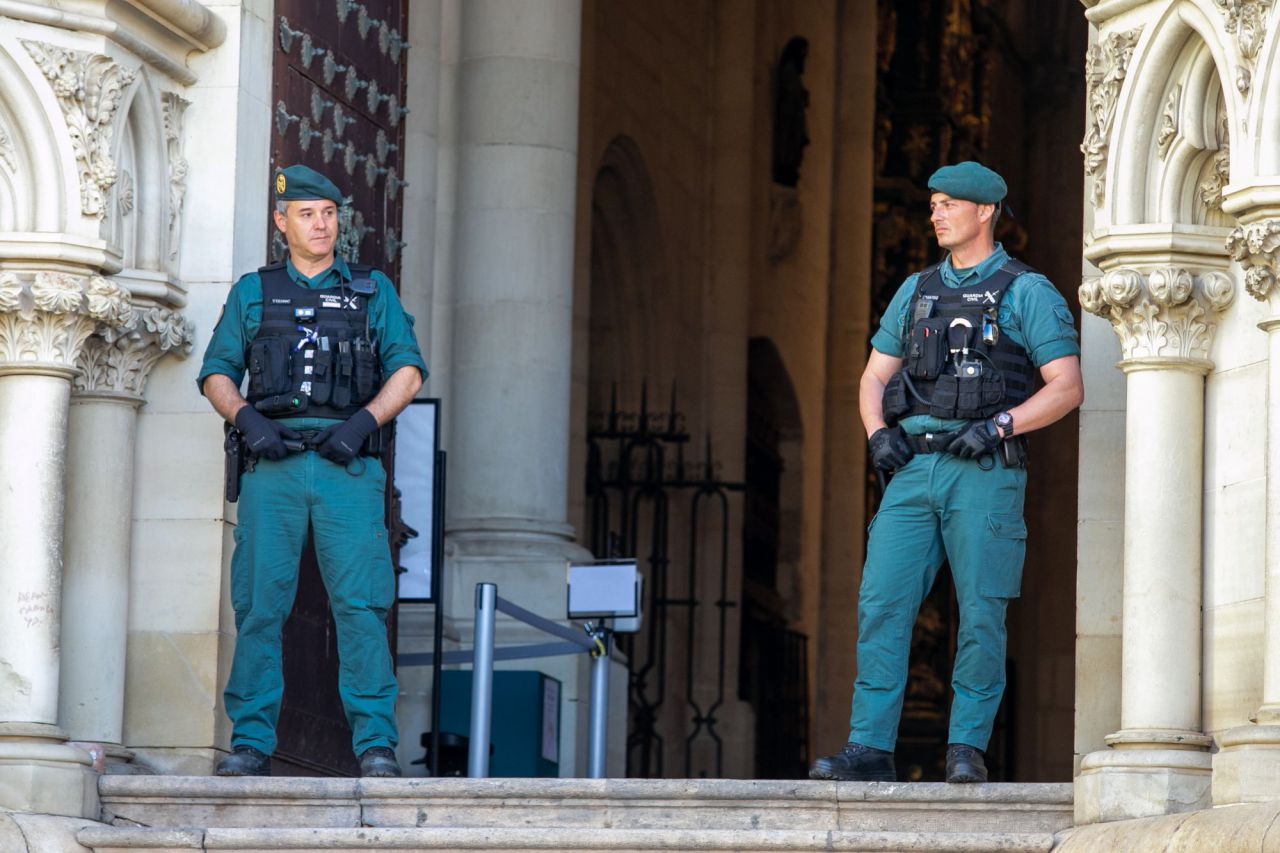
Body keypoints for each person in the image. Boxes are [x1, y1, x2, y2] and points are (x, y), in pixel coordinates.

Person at [810, 161, 1084, 784]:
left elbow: (1066, 387)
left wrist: (1001, 425)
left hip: (983, 469)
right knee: (881, 603)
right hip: (912, 470)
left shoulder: (1027, 291)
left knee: (981, 611)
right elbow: (874, 375)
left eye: (949, 204)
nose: (935, 213)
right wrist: (877, 433)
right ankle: (869, 748)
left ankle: (965, 747)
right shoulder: (916, 289)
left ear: (984, 211)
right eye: (932, 203)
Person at [197, 164, 426, 777]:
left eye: (328, 214)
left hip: (345, 469)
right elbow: (216, 372)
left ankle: (375, 746)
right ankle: (250, 744)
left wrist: (363, 423)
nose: (320, 225)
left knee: (360, 606)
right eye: (306, 214)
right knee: (260, 606)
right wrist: (249, 420)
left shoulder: (372, 291)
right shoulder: (254, 291)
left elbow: (408, 370)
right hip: (272, 466)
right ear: (282, 222)